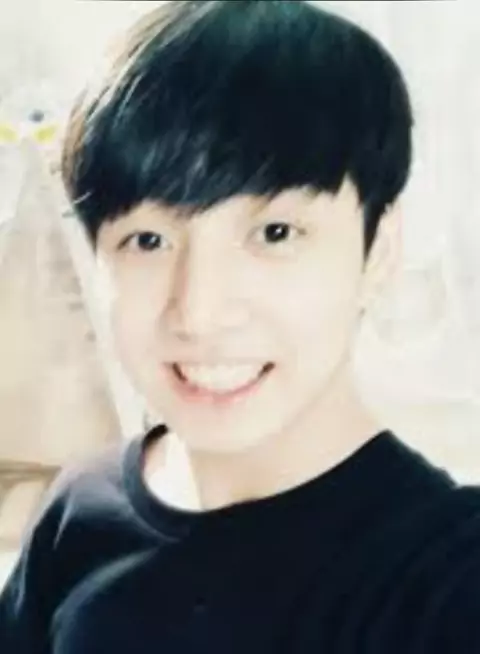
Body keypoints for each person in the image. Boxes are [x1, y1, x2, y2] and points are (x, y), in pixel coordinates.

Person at [1, 2, 479, 652]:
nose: (198, 313)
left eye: (275, 233)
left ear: (379, 249)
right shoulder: (81, 507)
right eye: (148, 240)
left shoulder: (447, 578)